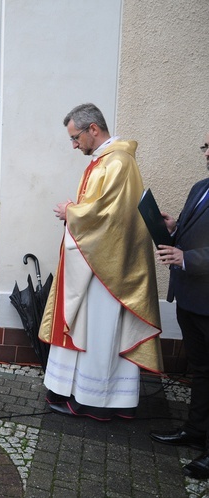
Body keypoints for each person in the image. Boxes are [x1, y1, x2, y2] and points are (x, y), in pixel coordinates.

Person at [39, 103, 162, 420]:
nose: (74, 144)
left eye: (76, 137)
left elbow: (107, 216)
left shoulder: (116, 162)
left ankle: (95, 401)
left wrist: (71, 213)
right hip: (103, 259)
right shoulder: (108, 161)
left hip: (107, 267)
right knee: (101, 332)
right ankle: (112, 399)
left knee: (100, 332)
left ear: (93, 128)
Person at [150, 132, 209, 479]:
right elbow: (191, 236)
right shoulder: (201, 187)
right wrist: (172, 231)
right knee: (200, 372)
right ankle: (195, 430)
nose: (205, 152)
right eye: (204, 146)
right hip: (190, 298)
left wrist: (187, 257)